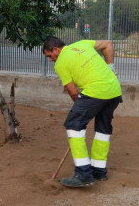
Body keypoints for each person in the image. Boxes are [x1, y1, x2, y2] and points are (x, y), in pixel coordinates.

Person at [42, 36, 122, 188]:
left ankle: (83, 174)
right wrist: (110, 68)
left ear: (56, 50)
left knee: (73, 124)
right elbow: (108, 44)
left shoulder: (60, 63)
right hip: (114, 91)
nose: (50, 60)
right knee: (103, 129)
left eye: (50, 56)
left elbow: (73, 93)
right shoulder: (83, 44)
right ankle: (99, 170)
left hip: (96, 92)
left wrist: (84, 109)